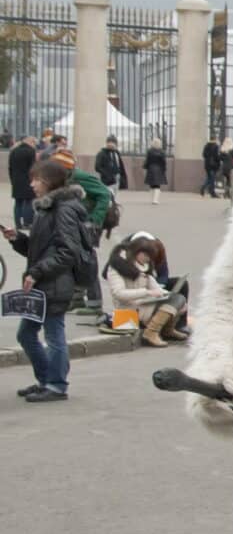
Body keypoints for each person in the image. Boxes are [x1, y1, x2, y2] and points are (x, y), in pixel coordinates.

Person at [6, 159, 90, 401]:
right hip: (43, 282)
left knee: (54, 336)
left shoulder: (63, 209)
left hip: (55, 283)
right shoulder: (47, 208)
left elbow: (67, 252)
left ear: (49, 182)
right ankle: (46, 379)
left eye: (36, 180)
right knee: (26, 334)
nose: (31, 184)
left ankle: (56, 385)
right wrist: (17, 239)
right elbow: (40, 249)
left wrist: (37, 272)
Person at [54, 149, 112, 316]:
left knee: (87, 262)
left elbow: (104, 194)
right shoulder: (65, 178)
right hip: (77, 224)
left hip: (88, 225)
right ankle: (77, 299)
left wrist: (95, 220)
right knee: (74, 261)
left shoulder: (80, 177)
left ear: (64, 167)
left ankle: (95, 303)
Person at [103, 237, 186, 346]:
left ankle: (166, 330)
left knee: (180, 300)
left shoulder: (143, 266)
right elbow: (119, 294)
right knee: (177, 300)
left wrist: (163, 293)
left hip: (143, 305)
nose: (148, 260)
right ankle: (151, 332)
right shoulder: (116, 267)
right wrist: (146, 292)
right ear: (137, 252)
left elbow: (153, 284)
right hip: (128, 310)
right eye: (146, 256)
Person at [8, 132, 34, 230]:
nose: (33, 143)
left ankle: (18, 224)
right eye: (32, 141)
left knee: (18, 202)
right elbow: (32, 168)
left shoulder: (13, 151)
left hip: (16, 180)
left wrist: (12, 180)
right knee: (28, 202)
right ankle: (27, 223)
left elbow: (10, 168)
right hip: (28, 180)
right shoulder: (31, 151)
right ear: (26, 140)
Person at [143, 137, 168, 205]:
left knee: (152, 185)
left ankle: (152, 199)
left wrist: (145, 167)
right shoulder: (162, 152)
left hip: (151, 169)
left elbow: (147, 160)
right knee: (157, 185)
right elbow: (164, 162)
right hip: (159, 169)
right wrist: (164, 169)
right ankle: (155, 200)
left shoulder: (149, 151)